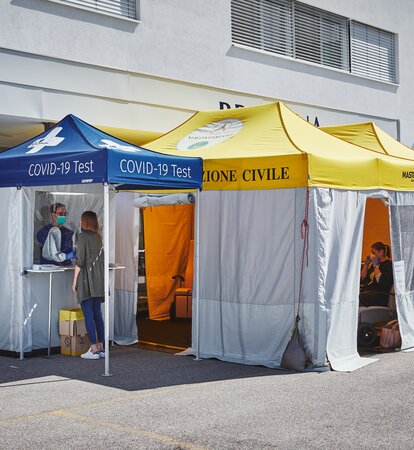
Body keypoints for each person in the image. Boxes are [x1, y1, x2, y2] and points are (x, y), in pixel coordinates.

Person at [72, 211, 105, 360]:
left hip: (86, 279)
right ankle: (101, 347)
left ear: (83, 221)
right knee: (98, 314)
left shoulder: (82, 237)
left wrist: (74, 282)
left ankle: (92, 349)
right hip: (98, 279)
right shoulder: (98, 237)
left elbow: (80, 262)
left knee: (89, 315)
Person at [360, 241, 393, 307]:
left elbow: (382, 283)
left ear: (381, 252)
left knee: (358, 298)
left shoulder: (388, 265)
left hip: (379, 294)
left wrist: (376, 267)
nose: (372, 255)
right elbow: (363, 278)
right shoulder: (373, 264)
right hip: (367, 292)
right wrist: (366, 264)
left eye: (373, 252)